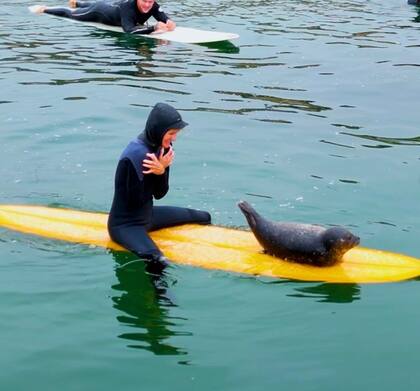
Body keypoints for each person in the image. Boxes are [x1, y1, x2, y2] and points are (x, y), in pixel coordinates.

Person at [108, 103, 211, 270]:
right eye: (171, 133)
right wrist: (156, 172)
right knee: (157, 260)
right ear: (158, 130)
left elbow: (160, 193)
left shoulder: (163, 148)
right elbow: (135, 201)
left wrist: (161, 171)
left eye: (176, 134)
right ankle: (161, 296)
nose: (174, 138)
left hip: (147, 216)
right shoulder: (135, 155)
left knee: (204, 217)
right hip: (125, 224)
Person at [35, 0, 176, 35]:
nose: (147, 5)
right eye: (144, 1)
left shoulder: (153, 5)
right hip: (99, 13)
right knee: (72, 14)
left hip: (109, 5)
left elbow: (163, 16)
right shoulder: (128, 7)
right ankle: (45, 9)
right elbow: (129, 30)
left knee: (99, 3)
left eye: (150, 1)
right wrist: (153, 28)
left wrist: (169, 22)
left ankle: (78, 2)